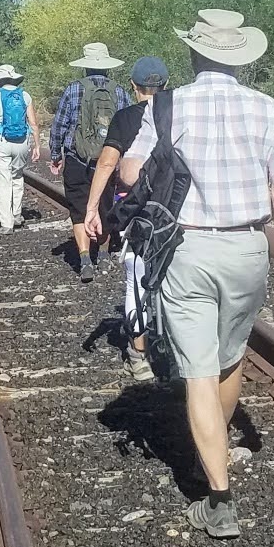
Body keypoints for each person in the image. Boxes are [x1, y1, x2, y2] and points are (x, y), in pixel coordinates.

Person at [123, 10, 274, 540]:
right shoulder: (271, 109)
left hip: (186, 248)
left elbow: (132, 172)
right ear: (241, 58)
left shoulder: (166, 105)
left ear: (194, 54)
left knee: (199, 372)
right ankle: (216, 446)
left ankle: (219, 499)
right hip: (249, 248)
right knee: (230, 360)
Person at [83, 55, 169, 381]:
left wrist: (93, 209)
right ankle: (171, 354)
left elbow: (107, 164)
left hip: (137, 212)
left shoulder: (127, 117)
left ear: (134, 87)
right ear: (165, 86)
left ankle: (138, 355)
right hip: (175, 213)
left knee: (137, 278)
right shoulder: (178, 113)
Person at [48, 42, 129, 282]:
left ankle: (85, 259)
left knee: (79, 210)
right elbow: (126, 129)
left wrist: (55, 155)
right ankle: (103, 255)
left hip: (77, 159)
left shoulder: (73, 90)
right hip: (107, 160)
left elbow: (59, 126)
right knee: (104, 207)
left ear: (84, 67)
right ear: (107, 67)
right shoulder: (120, 92)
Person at [0, 64, 41, 232]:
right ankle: (17, 214)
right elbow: (33, 122)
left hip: (2, 141)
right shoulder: (25, 95)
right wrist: (37, 145)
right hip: (22, 141)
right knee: (17, 176)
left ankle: (7, 223)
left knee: (3, 179)